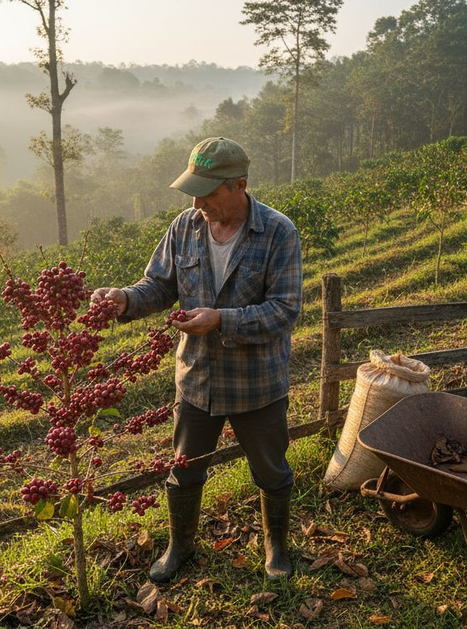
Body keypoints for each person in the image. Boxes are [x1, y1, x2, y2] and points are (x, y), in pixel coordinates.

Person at [92, 137, 303, 582]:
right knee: (183, 472)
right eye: (194, 190)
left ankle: (276, 546)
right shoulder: (185, 226)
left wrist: (221, 320)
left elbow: (284, 311)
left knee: (271, 469)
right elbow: (159, 285)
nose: (197, 201)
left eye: (208, 192)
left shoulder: (278, 233)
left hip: (256, 383)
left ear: (239, 185)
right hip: (198, 382)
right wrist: (125, 300)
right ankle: (180, 545)